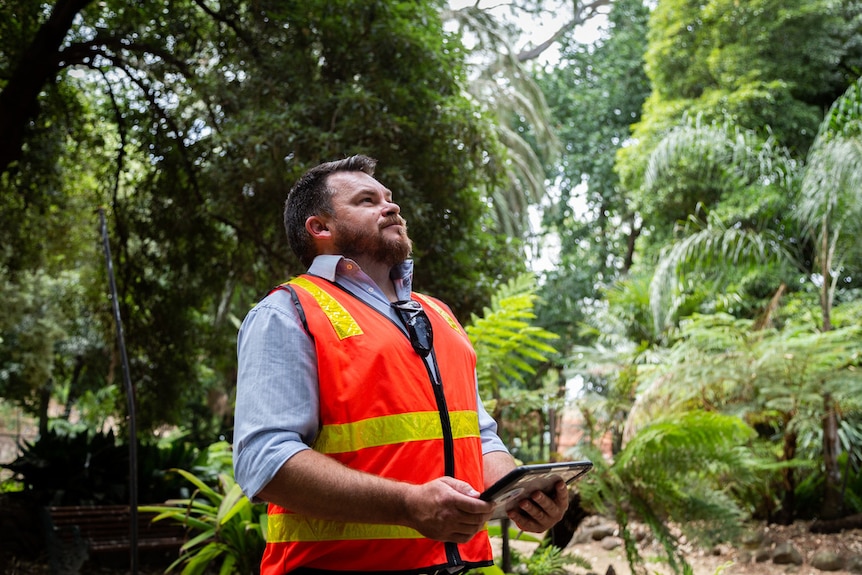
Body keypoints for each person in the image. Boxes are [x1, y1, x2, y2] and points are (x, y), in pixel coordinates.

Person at [232, 154, 569, 574]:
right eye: (367, 200)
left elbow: (477, 436)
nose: (391, 207)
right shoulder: (286, 313)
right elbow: (265, 461)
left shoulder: (439, 315)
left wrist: (520, 492)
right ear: (320, 228)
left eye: (389, 198)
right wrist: (407, 505)